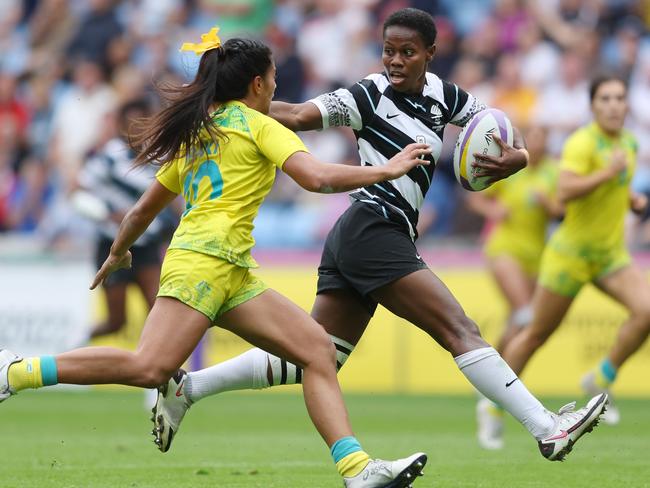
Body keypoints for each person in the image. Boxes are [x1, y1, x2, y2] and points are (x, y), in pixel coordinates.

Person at [152, 8, 607, 463]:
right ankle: (547, 428)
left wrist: (520, 158)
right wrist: (223, 106)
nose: (394, 60)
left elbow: (502, 130)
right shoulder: (367, 94)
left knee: (318, 355)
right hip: (373, 225)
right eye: (388, 50)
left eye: (407, 52)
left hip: (365, 234)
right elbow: (294, 113)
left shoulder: (446, 96)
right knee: (459, 328)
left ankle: (188, 388)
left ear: (431, 53)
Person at [0, 31, 433, 488]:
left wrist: (118, 251)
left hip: (231, 271)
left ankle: (357, 470)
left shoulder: (199, 132)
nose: (276, 88)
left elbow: (141, 209)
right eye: (274, 79)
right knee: (151, 367)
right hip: (203, 263)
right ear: (257, 85)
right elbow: (317, 179)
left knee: (317, 350)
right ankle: (15, 371)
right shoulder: (260, 124)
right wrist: (386, 168)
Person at [500, 74, 650, 429]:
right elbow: (566, 191)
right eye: (606, 99)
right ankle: (492, 405)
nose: (614, 106)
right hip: (572, 254)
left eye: (619, 98)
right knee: (535, 334)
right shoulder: (581, 143)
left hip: (610, 254)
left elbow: (617, 184)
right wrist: (607, 173)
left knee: (646, 312)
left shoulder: (628, 143)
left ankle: (600, 377)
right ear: (593, 106)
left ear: (627, 104)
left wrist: (631, 197)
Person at [466, 125, 563, 449]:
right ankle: (495, 388)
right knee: (523, 316)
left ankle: (491, 381)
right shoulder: (511, 167)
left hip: (536, 257)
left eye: (542, 136)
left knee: (519, 323)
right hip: (503, 248)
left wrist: (548, 205)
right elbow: (476, 197)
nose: (538, 141)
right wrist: (493, 209)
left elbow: (562, 210)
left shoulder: (553, 172)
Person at [75, 99, 169, 339]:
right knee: (117, 322)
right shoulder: (109, 156)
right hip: (112, 245)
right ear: (121, 126)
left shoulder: (158, 155)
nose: (137, 129)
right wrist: (106, 213)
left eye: (143, 123)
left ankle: (159, 369)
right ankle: (77, 342)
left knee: (159, 312)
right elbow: (78, 190)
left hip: (146, 244)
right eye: (131, 123)